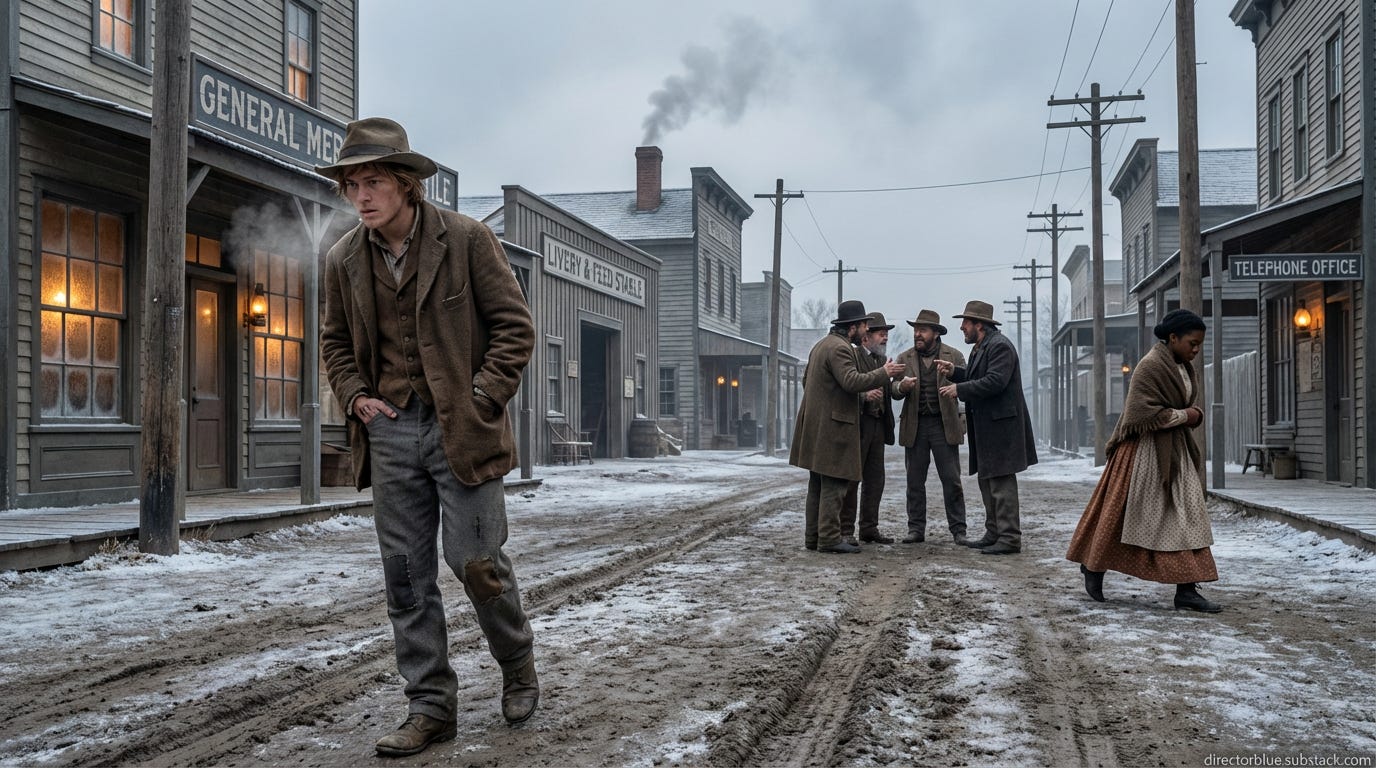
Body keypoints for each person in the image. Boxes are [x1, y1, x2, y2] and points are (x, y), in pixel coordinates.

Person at [318, 117, 540, 757]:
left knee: (476, 563)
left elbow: (514, 329)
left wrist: (480, 398)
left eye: (375, 181)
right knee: (406, 577)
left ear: (407, 184)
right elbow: (335, 343)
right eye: (352, 183)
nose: (361, 195)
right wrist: (357, 396)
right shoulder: (342, 259)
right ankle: (432, 706)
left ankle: (517, 661)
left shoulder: (467, 239)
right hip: (389, 432)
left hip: (464, 431)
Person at [1066, 308, 1222, 613]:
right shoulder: (1150, 366)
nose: (1196, 349)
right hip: (1143, 452)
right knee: (1121, 514)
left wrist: (1193, 414)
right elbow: (1141, 413)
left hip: (1174, 450)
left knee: (1186, 516)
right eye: (1192, 342)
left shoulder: (1183, 367)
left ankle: (1187, 590)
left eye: (1199, 344)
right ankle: (1094, 566)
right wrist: (1186, 416)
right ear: (1172, 338)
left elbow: (1183, 404)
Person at [790, 300, 905, 554]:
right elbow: (851, 381)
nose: (867, 330)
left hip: (817, 425)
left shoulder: (822, 345)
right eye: (865, 325)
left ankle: (814, 537)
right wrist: (884, 373)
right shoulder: (840, 349)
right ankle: (830, 538)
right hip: (833, 427)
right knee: (834, 482)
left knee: (818, 484)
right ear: (853, 327)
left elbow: (806, 379)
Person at [935, 300, 1037, 555]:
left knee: (1001, 483)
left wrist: (959, 389)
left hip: (1001, 428)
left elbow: (994, 381)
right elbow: (977, 375)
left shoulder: (1000, 347)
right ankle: (994, 532)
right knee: (988, 481)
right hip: (988, 429)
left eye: (965, 323)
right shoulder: (983, 346)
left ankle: (1009, 537)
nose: (961, 327)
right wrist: (956, 373)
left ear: (979, 324)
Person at [891, 309, 968, 544]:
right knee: (914, 481)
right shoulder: (904, 358)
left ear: (936, 333)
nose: (917, 334)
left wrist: (954, 375)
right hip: (916, 426)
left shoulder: (953, 355)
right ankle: (915, 529)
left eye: (922, 330)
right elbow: (892, 390)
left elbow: (969, 383)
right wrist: (901, 388)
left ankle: (958, 530)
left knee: (951, 480)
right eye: (915, 330)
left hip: (944, 426)